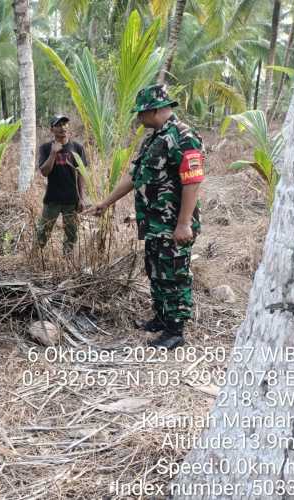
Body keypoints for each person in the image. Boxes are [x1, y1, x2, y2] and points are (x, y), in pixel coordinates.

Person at [85, 84, 205, 349]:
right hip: (153, 223)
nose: (139, 119)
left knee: (174, 274)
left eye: (141, 113)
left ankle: (175, 330)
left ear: (155, 110)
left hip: (173, 223)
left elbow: (192, 180)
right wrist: (105, 203)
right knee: (156, 271)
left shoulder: (183, 136)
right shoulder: (152, 138)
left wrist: (184, 223)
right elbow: (134, 176)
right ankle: (162, 318)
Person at [35, 115, 89, 256]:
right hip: (52, 199)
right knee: (43, 233)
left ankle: (67, 261)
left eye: (65, 124)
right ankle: (35, 258)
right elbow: (44, 172)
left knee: (71, 235)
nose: (63, 127)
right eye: (58, 125)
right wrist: (53, 153)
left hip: (71, 200)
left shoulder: (77, 147)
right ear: (52, 129)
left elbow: (82, 173)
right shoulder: (45, 148)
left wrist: (81, 198)